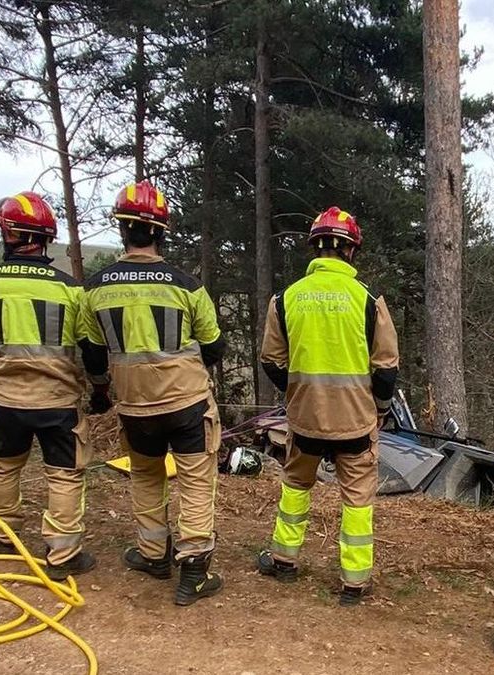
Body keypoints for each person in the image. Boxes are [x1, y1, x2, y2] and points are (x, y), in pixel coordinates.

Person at [78, 180, 226, 606]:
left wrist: (102, 392)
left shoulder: (96, 288)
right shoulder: (187, 286)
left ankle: (153, 554)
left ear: (122, 231)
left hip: (134, 404)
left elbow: (92, 352)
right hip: (187, 402)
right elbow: (214, 346)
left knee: (145, 475)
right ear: (161, 231)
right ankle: (194, 570)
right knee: (196, 480)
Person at [254, 206, 399, 607]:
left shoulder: (286, 298)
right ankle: (354, 581)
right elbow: (386, 368)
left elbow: (271, 361)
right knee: (356, 499)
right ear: (351, 251)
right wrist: (381, 408)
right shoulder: (368, 300)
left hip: (304, 422)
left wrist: (297, 393)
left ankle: (284, 559)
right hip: (355, 422)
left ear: (315, 248)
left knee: (296, 485)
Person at [0, 191, 94, 580]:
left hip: (6, 397)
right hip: (58, 400)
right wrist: (98, 388)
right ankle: (64, 552)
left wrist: (2, 370)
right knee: (65, 472)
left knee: (2, 467)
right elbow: (88, 346)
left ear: (6, 234)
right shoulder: (71, 290)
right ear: (46, 238)